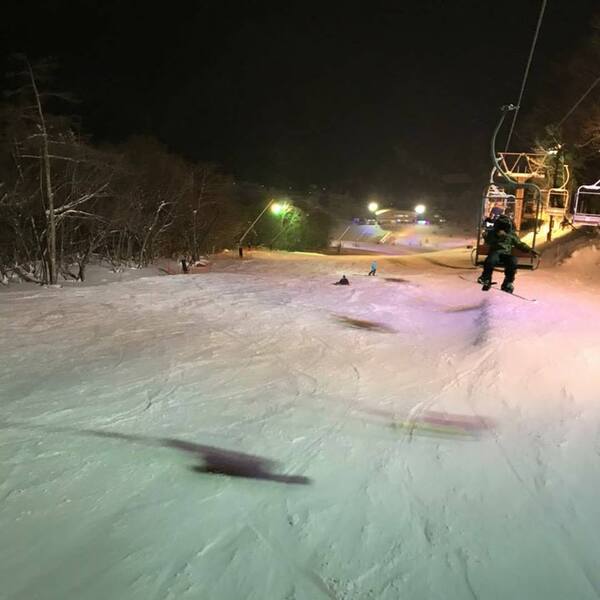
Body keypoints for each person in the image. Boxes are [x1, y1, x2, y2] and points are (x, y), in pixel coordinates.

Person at [479, 215, 538, 293]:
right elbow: (488, 240)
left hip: (506, 254)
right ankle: (486, 278)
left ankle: (508, 282)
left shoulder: (511, 235)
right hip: (496, 252)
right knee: (491, 260)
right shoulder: (493, 233)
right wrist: (494, 236)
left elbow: (519, 244)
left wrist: (529, 249)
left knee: (513, 261)